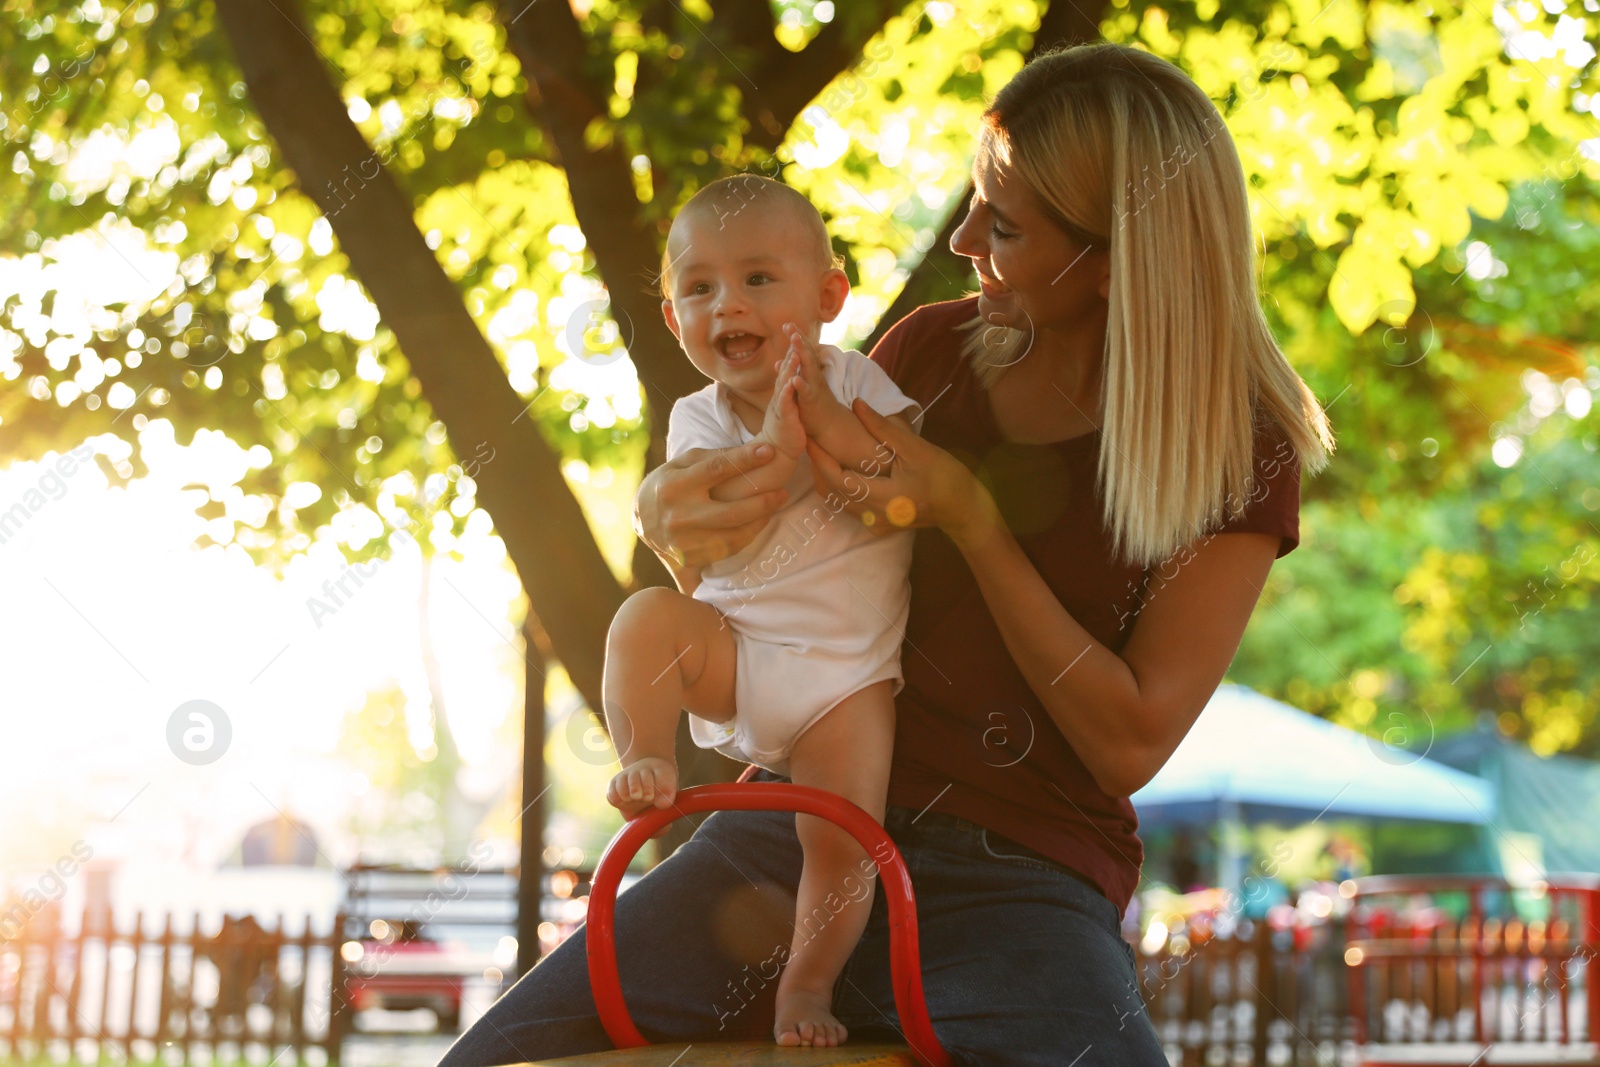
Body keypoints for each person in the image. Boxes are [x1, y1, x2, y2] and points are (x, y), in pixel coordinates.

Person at [440, 40, 1332, 1067]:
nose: (960, 239)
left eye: (1002, 224)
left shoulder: (1235, 446)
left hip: (1018, 874)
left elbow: (1128, 741)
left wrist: (970, 515)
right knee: (494, 1057)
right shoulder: (925, 354)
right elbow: (756, 569)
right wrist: (669, 511)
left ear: (1115, 254)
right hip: (795, 822)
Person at [600, 173, 923, 1047]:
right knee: (644, 620)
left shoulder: (858, 381)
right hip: (735, 648)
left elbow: (895, 479)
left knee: (841, 840)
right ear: (674, 319)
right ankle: (643, 751)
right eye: (698, 288)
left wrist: (818, 426)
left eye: (756, 279)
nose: (726, 304)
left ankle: (805, 989)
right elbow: (745, 500)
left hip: (845, 678)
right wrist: (785, 442)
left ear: (827, 297)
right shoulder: (697, 419)